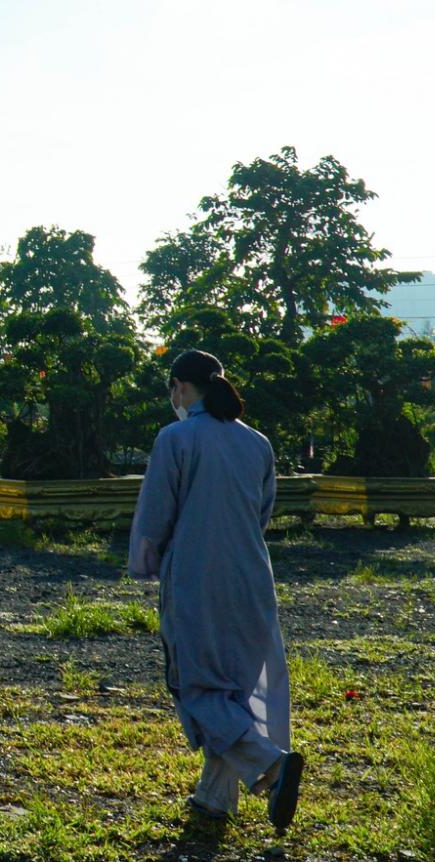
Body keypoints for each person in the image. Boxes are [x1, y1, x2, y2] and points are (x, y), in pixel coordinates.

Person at [130, 349, 304, 832]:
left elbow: (155, 517)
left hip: (196, 576)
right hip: (252, 575)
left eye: (172, 391)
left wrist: (146, 563)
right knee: (233, 686)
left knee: (197, 686)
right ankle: (214, 798)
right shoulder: (258, 443)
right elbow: (262, 513)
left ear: (181, 388)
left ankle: (271, 762)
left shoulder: (176, 438)